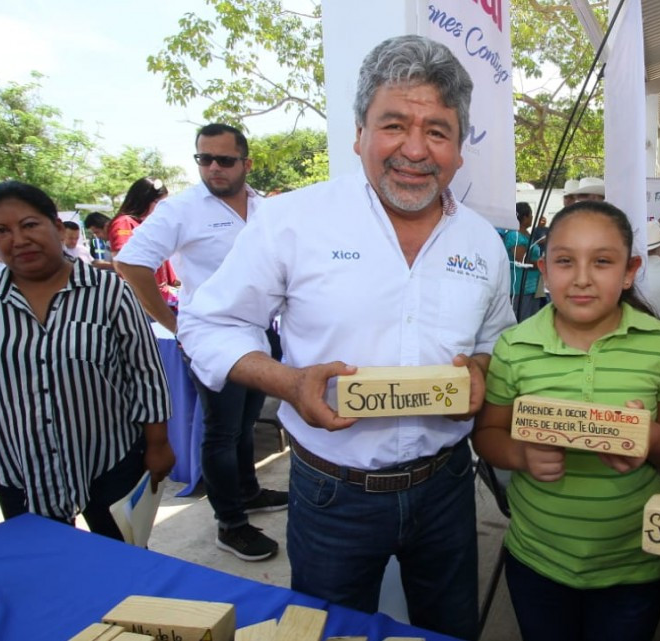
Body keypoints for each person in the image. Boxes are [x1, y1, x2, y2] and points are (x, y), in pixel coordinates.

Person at [175, 36, 515, 639]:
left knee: (450, 629)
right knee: (330, 632)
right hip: (333, 492)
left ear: (460, 149)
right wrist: (289, 381)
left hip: (447, 487)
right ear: (359, 133)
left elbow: (496, 334)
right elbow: (207, 323)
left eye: (437, 130)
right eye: (394, 124)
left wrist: (483, 369)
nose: (415, 150)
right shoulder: (292, 221)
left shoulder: (483, 243)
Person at [474, 200, 660, 641]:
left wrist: (649, 440)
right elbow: (487, 435)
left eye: (602, 262)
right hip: (537, 558)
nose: (581, 278)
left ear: (630, 270)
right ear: (543, 268)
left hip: (635, 562)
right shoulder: (515, 346)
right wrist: (521, 454)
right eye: (564, 261)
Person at [0, 181, 174, 540]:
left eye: (29, 225)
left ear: (56, 226)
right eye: (1, 231)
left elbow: (144, 373)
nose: (18, 240)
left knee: (121, 567)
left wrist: (159, 444)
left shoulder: (109, 291)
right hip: (21, 471)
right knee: (45, 573)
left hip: (110, 460)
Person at [115, 124, 288, 562]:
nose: (213, 167)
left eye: (224, 159)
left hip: (260, 329)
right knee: (222, 431)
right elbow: (130, 262)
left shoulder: (263, 205)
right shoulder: (182, 209)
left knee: (246, 422)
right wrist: (175, 324)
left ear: (246, 164)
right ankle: (230, 523)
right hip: (213, 335)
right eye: (204, 159)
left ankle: (246, 491)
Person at [110, 178, 178, 304]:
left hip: (162, 294)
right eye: (159, 203)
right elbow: (122, 264)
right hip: (142, 298)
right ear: (144, 200)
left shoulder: (148, 223)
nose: (163, 208)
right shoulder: (124, 222)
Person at [504, 202, 542, 321]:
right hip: (520, 286)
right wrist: (542, 264)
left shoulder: (526, 234)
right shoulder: (514, 235)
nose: (532, 218)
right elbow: (522, 259)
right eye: (531, 215)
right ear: (524, 217)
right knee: (522, 318)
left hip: (532, 285)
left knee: (532, 318)